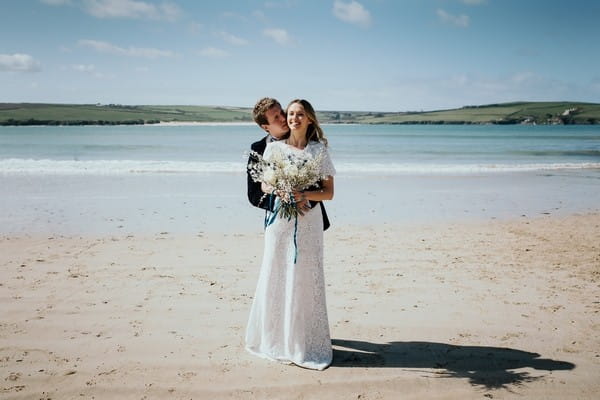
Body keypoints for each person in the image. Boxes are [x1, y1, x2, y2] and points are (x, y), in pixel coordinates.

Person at [245, 99, 336, 370]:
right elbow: (257, 190)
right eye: (281, 116)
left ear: (308, 118)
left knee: (306, 276)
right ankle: (276, 337)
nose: (287, 119)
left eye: (292, 114)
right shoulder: (265, 149)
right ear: (266, 125)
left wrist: (303, 195)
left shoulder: (319, 150)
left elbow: (327, 191)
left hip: (309, 221)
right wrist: (282, 193)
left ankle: (304, 337)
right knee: (276, 274)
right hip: (279, 222)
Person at [247, 97, 330, 229]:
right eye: (276, 118)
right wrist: (285, 201)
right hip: (278, 218)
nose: (283, 118)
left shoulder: (307, 141)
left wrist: (304, 199)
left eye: (282, 113)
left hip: (309, 214)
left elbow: (321, 183)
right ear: (265, 127)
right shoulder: (258, 149)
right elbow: (254, 195)